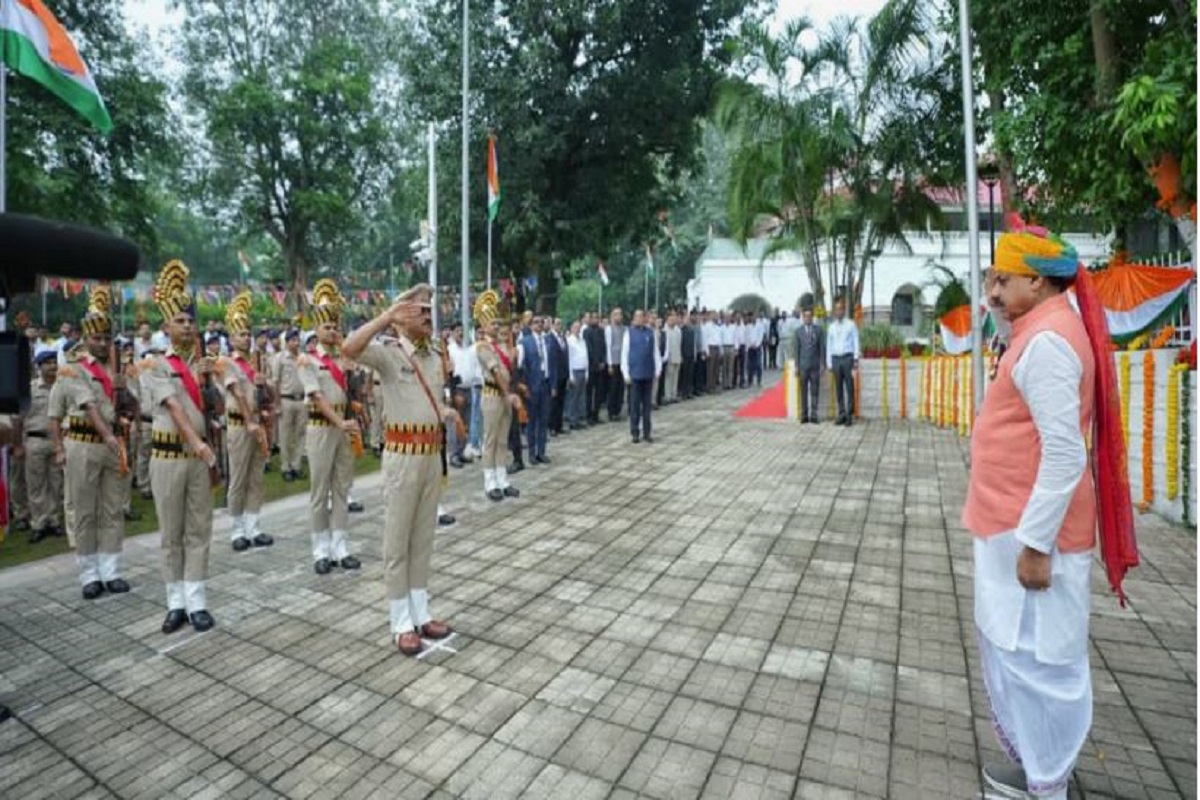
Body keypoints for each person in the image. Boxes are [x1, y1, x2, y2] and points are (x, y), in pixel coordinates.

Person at [964, 220, 1136, 800]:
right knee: (1019, 653)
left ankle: (1047, 783)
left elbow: (1064, 455)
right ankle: (1039, 766)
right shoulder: (1038, 330)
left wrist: (1036, 545)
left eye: (1002, 280)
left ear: (1037, 283)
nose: (991, 292)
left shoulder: (1048, 344)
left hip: (1030, 534)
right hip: (1008, 521)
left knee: (1039, 661)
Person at [343, 284, 456, 657]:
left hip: (430, 455)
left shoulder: (435, 354)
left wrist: (445, 413)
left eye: (429, 310)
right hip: (402, 456)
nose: (428, 316)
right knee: (398, 541)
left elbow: (431, 398)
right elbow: (349, 349)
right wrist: (386, 317)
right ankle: (400, 622)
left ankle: (421, 613)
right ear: (403, 317)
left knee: (423, 539)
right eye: (420, 311)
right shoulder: (389, 355)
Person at [143, 260, 220, 633]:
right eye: (180, 321)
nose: (187, 326)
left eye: (191, 321)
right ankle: (175, 602)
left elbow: (215, 409)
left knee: (199, 530)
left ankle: (197, 600)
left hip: (198, 459)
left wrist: (210, 381)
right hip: (170, 456)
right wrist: (199, 445)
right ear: (166, 326)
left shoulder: (205, 363)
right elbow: (172, 406)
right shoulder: (155, 364)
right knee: (171, 532)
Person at [56, 286, 130, 600]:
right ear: (86, 338)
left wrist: (124, 389)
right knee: (85, 510)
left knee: (112, 508)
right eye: (97, 338)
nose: (102, 343)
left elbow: (129, 408)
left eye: (106, 338)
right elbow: (88, 407)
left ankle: (110, 570)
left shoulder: (116, 369)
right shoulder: (73, 368)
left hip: (111, 446)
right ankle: (89, 574)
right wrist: (110, 436)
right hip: (84, 443)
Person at [298, 280, 362, 575]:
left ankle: (341, 547)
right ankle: (320, 550)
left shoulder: (346, 360)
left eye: (336, 326)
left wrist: (353, 376)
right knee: (319, 490)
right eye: (327, 327)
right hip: (322, 427)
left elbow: (354, 396)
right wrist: (341, 423)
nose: (333, 331)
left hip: (344, 425)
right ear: (316, 329)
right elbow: (317, 398)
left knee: (342, 488)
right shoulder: (307, 360)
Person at [220, 291, 275, 552]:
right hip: (241, 425)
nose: (246, 337)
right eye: (241, 334)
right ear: (231, 338)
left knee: (256, 476)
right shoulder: (226, 362)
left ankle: (254, 526)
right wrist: (251, 420)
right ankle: (237, 529)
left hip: (258, 423)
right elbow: (237, 392)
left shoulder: (257, 363)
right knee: (239, 476)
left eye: (248, 333)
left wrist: (266, 386)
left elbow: (267, 395)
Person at [473, 291, 521, 502]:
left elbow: (510, 369)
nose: (497, 327)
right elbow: (496, 373)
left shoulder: (501, 345)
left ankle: (503, 478)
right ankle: (489, 480)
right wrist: (508, 394)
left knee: (503, 439)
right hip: (493, 394)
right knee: (491, 439)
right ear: (483, 326)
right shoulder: (483, 347)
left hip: (505, 396)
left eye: (497, 324)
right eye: (493, 323)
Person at [23, 350, 65, 542]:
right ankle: (39, 524)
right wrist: (19, 444)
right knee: (36, 485)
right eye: (47, 363)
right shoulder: (30, 389)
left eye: (54, 362)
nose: (52, 366)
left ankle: (54, 521)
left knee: (56, 483)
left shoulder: (62, 387)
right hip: (35, 440)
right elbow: (19, 417)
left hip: (57, 441)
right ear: (39, 367)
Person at [621, 309, 663, 444]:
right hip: (635, 374)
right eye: (637, 316)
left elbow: (655, 352)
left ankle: (647, 432)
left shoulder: (651, 333)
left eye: (642, 316)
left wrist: (658, 369)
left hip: (648, 373)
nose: (640, 319)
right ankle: (634, 432)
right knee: (634, 405)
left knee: (647, 406)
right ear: (634, 318)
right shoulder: (629, 333)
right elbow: (624, 354)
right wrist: (625, 373)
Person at [520, 316, 554, 464]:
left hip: (545, 384)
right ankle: (532, 453)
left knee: (543, 420)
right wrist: (525, 386)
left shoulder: (547, 340)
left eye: (541, 322)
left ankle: (542, 452)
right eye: (536, 322)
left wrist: (553, 385)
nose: (539, 325)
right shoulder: (525, 342)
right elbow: (521, 366)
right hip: (532, 385)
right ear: (530, 325)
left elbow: (553, 364)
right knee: (532, 421)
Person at [274, 329, 307, 481]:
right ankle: (286, 467)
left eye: (297, 340)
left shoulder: (303, 357)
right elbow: (276, 381)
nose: (296, 343)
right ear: (287, 342)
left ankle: (297, 465)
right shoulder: (280, 358)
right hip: (286, 399)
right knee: (285, 435)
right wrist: (277, 403)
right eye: (292, 340)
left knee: (301, 434)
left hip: (302, 399)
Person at [826, 300, 859, 425]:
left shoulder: (851, 324)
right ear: (834, 311)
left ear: (844, 311)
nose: (838, 311)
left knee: (849, 387)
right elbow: (829, 345)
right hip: (835, 359)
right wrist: (829, 363)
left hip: (847, 358)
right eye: (836, 309)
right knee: (838, 388)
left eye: (841, 309)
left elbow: (856, 341)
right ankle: (841, 414)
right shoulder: (831, 327)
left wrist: (856, 359)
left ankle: (849, 415)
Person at [795, 305, 825, 424]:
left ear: (812, 317)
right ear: (803, 318)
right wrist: (797, 366)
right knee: (803, 391)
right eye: (805, 316)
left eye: (809, 316)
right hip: (803, 366)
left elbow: (822, 348)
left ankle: (814, 414)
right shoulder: (798, 331)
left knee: (815, 390)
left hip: (815, 365)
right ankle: (804, 415)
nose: (808, 318)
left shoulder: (819, 330)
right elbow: (796, 350)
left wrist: (823, 364)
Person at [584, 311, 607, 424]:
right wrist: (596, 362)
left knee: (599, 392)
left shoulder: (601, 331)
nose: (595, 320)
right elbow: (589, 349)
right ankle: (588, 416)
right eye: (593, 318)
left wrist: (603, 361)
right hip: (591, 366)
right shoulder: (586, 332)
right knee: (589, 393)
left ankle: (596, 414)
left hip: (600, 367)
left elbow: (604, 347)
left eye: (597, 318)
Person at [548, 318, 569, 436]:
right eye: (557, 324)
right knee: (553, 402)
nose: (559, 326)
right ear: (552, 325)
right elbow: (552, 362)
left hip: (563, 375)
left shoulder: (563, 338)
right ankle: (552, 426)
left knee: (561, 401)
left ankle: (559, 425)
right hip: (555, 375)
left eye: (561, 324)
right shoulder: (550, 339)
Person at [565, 320, 588, 429]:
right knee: (573, 396)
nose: (577, 329)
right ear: (571, 328)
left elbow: (585, 356)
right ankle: (572, 420)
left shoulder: (582, 340)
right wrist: (571, 375)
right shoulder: (569, 341)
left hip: (583, 369)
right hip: (574, 370)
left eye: (579, 327)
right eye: (575, 327)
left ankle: (578, 418)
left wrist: (587, 372)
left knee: (580, 396)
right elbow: (569, 359)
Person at [604, 308, 626, 421]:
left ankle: (618, 409)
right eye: (616, 314)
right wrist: (610, 364)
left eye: (620, 314)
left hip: (622, 362)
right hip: (613, 361)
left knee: (620, 387)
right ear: (612, 316)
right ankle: (611, 411)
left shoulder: (624, 329)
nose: (619, 317)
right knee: (612, 387)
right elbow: (608, 346)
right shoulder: (609, 329)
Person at [664, 311, 682, 404]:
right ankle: (668, 396)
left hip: (677, 356)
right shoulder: (665, 329)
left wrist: (680, 355)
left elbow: (679, 344)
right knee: (668, 377)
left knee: (675, 377)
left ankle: (674, 395)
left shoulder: (678, 330)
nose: (674, 319)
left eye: (675, 317)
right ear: (668, 318)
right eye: (672, 318)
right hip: (669, 357)